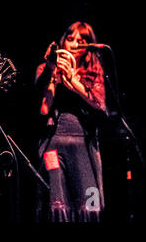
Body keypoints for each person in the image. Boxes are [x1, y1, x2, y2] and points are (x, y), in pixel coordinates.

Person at [35, 21, 107, 222]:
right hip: (54, 143)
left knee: (89, 202)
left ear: (87, 46)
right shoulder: (46, 68)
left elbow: (100, 105)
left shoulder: (93, 71)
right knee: (57, 203)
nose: (74, 44)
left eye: (81, 40)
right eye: (70, 38)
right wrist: (52, 73)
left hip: (82, 144)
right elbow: (43, 109)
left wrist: (73, 81)